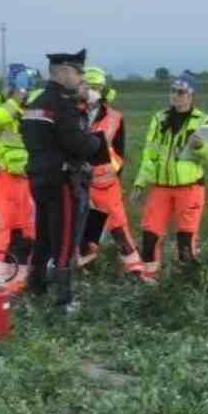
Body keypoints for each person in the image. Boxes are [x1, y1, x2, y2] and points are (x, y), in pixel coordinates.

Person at [19, 49, 111, 311]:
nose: (81, 77)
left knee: (43, 235)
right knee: (66, 240)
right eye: (78, 72)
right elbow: (79, 143)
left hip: (38, 177)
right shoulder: (64, 105)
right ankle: (64, 300)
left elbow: (26, 135)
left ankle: (35, 288)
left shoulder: (35, 102)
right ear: (63, 72)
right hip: (63, 180)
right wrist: (95, 138)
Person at [131, 71, 208, 284]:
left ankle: (187, 284)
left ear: (191, 95)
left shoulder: (204, 121)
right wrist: (140, 182)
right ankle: (149, 279)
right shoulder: (159, 118)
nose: (175, 96)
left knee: (185, 239)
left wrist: (201, 149)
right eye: (172, 91)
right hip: (160, 188)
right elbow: (149, 155)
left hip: (190, 189)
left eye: (181, 92)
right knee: (150, 235)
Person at [0, 63, 39, 291]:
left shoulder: (22, 107)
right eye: (24, 87)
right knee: (9, 226)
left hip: (24, 176)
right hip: (1, 176)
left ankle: (19, 279)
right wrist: (17, 96)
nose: (26, 93)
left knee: (27, 228)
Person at [76, 67, 144, 275]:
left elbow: (120, 154)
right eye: (89, 87)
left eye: (97, 87)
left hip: (106, 183)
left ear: (105, 90)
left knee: (118, 227)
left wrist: (110, 174)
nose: (92, 91)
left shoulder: (115, 117)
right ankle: (83, 269)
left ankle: (135, 270)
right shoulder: (70, 114)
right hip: (78, 181)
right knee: (84, 229)